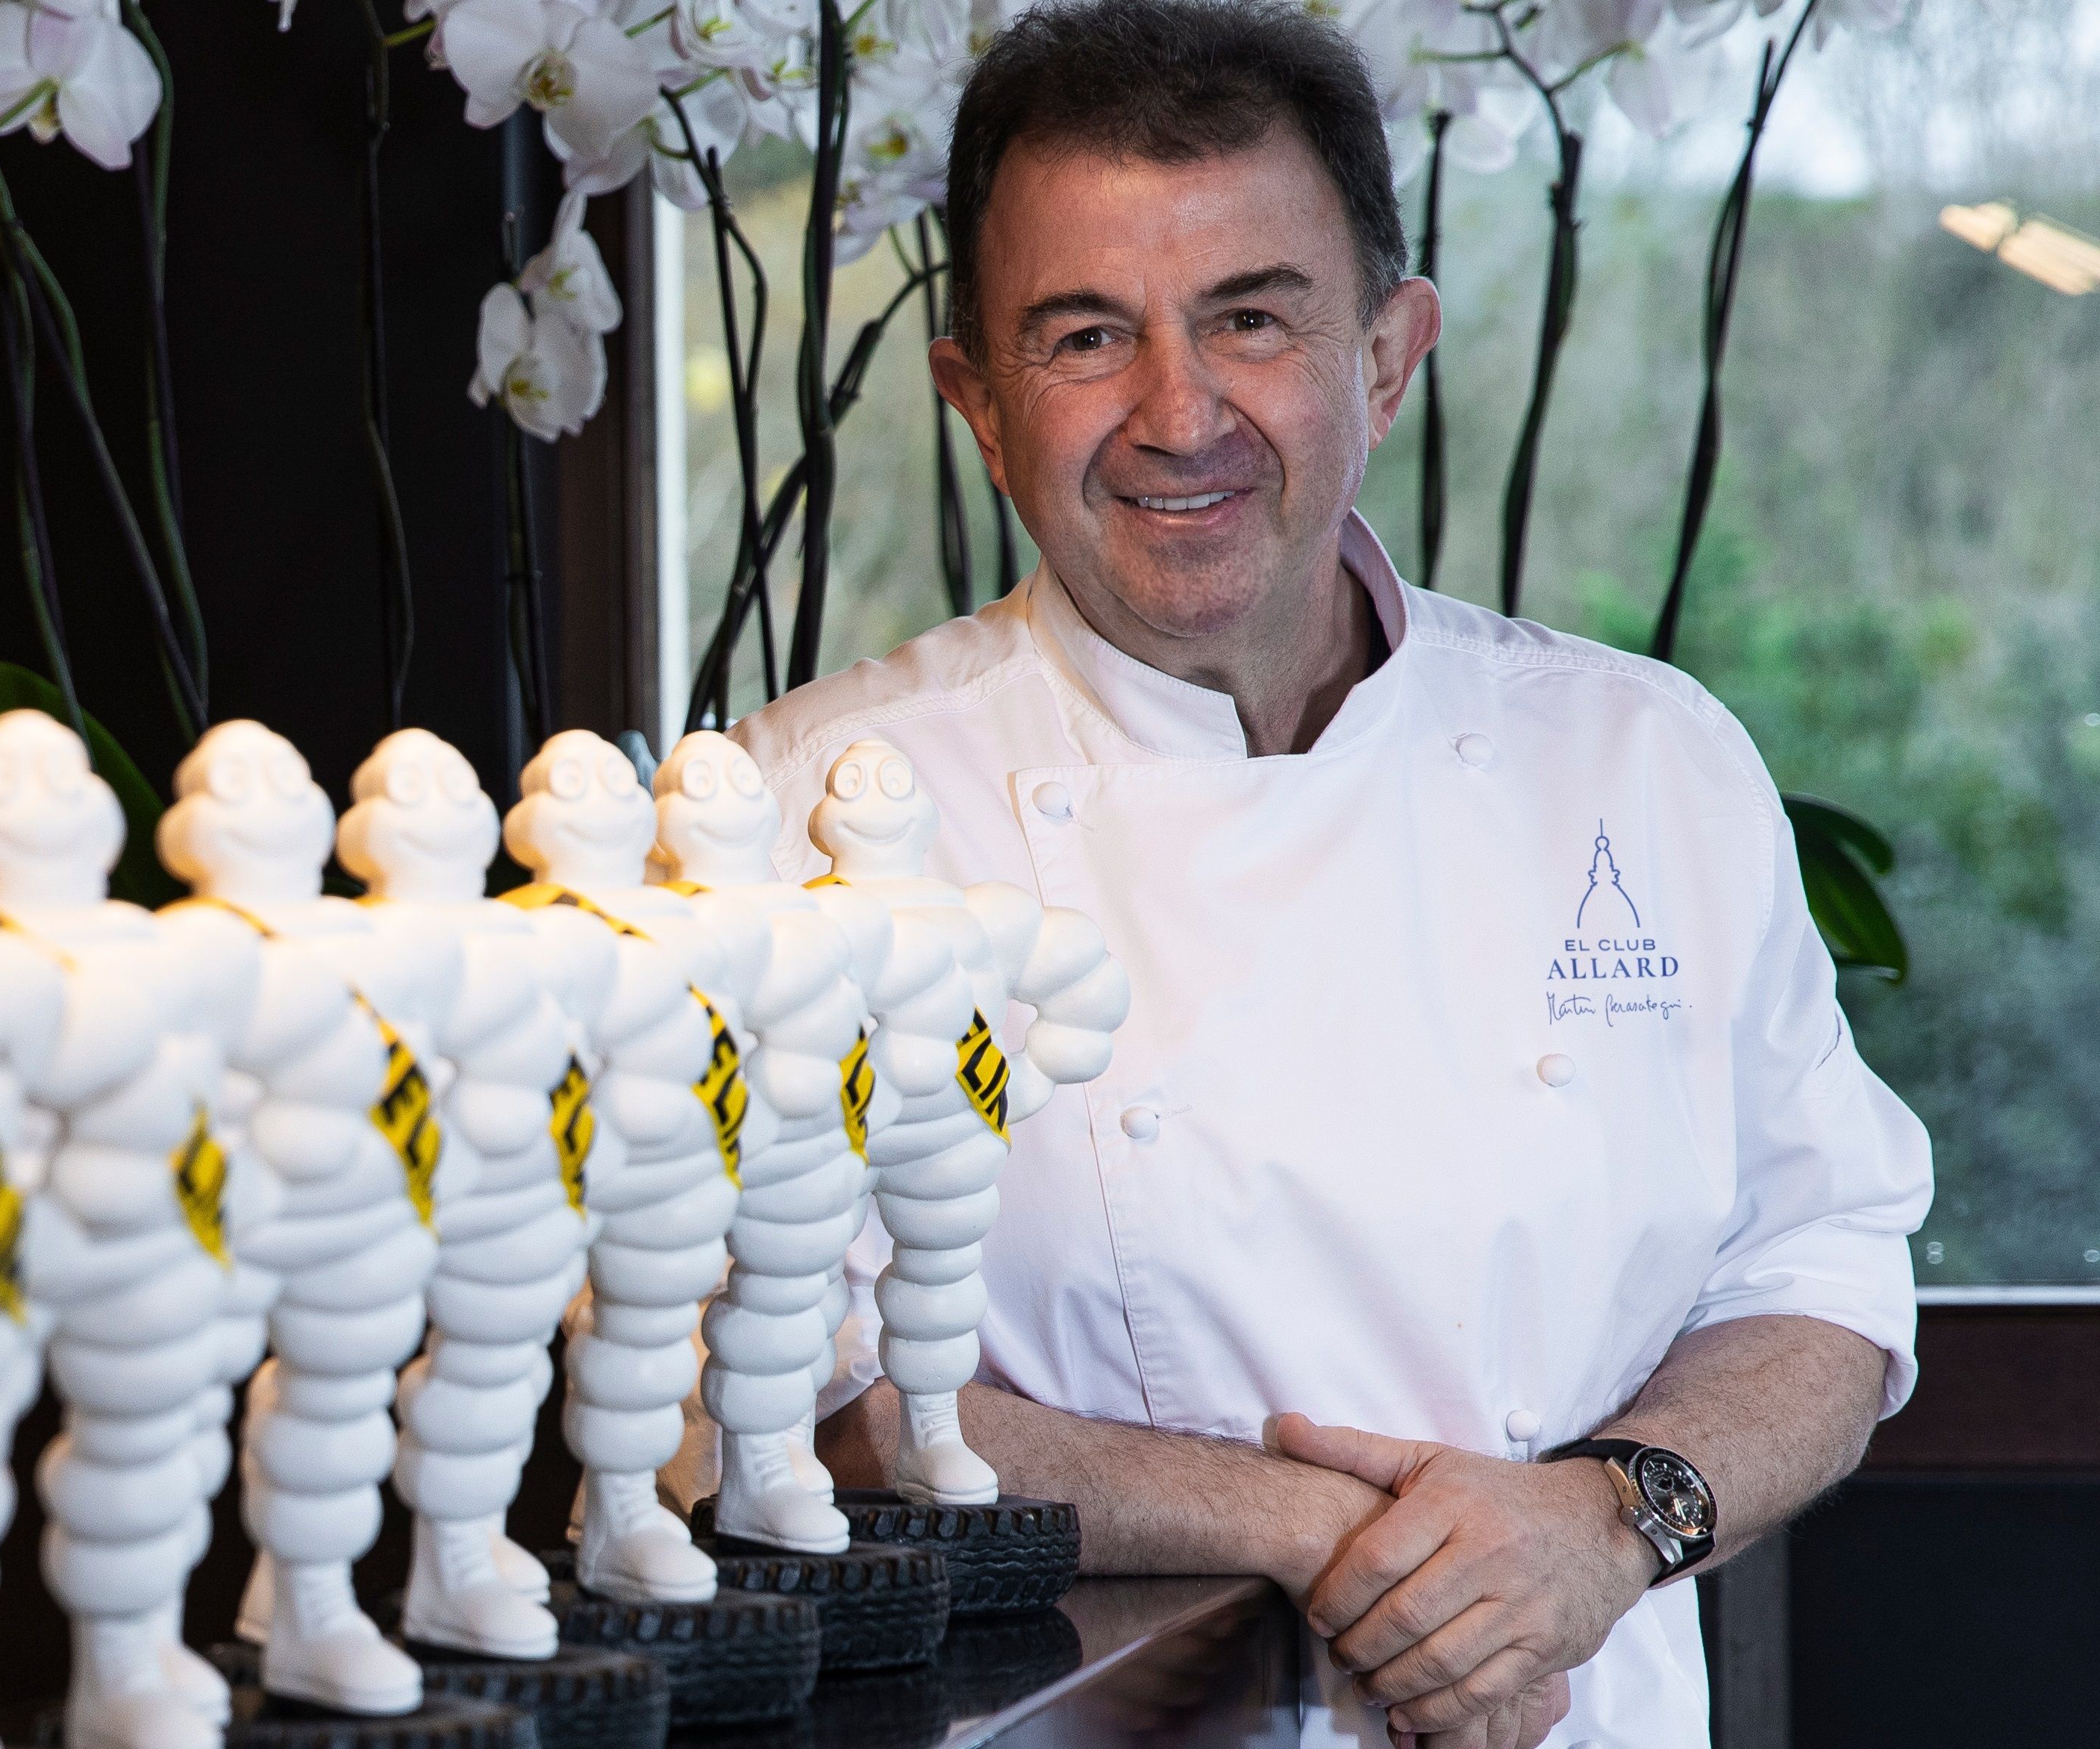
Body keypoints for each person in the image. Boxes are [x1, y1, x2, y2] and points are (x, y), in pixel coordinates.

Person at [726, 3, 1934, 1744]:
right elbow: (810, 1391)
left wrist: (1605, 1521)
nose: (1177, 410)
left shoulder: (1640, 758)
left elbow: (1818, 1264)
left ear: (1384, 352)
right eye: (1084, 335)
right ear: (978, 401)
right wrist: (1361, 1545)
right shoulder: (811, 814)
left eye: (1251, 318)